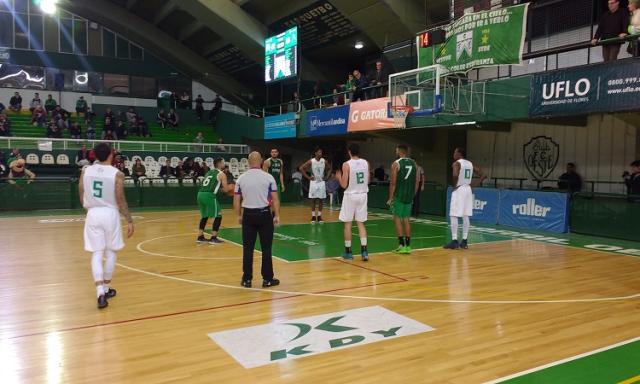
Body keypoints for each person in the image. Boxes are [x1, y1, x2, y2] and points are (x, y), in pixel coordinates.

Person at [79, 143, 134, 309]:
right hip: (110, 214)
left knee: (97, 253)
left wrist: (86, 205)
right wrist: (129, 219)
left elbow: (81, 190)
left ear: (94, 155)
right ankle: (107, 287)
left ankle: (100, 293)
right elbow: (120, 198)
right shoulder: (117, 174)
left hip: (93, 213)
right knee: (111, 252)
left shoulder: (86, 170)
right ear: (111, 155)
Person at [234, 151, 280, 288]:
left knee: (248, 248)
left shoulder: (241, 178)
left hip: (248, 215)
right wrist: (277, 215)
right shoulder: (269, 177)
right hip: (265, 215)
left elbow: (236, 200)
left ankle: (247, 279)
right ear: (261, 161)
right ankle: (267, 279)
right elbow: (275, 200)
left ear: (248, 162)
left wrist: (238, 215)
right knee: (266, 248)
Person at [443, 148, 486, 250]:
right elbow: (483, 175)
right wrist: (473, 185)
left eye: (455, 152)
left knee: (454, 215)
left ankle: (454, 241)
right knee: (465, 215)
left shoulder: (456, 163)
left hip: (460, 189)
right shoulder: (470, 164)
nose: (453, 154)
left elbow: (455, 175)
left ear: (458, 153)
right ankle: (465, 241)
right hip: (468, 189)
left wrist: (455, 186)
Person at [336, 143, 370, 261]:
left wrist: (338, 177)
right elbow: (368, 180)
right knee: (361, 223)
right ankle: (364, 252)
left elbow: (344, 185)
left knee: (348, 225)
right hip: (363, 195)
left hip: (351, 195)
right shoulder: (366, 163)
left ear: (349, 151)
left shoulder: (346, 164)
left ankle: (348, 253)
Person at [387, 145, 420, 254]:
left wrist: (390, 197)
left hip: (399, 195)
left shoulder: (396, 164)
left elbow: (393, 183)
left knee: (397, 218)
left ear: (398, 151)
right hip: (409, 196)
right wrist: (413, 194)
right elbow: (417, 181)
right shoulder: (414, 163)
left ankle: (401, 245)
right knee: (406, 219)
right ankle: (408, 246)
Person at [197, 158, 232, 244]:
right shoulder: (222, 174)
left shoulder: (209, 172)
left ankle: (200, 236)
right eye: (223, 162)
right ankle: (213, 238)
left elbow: (211, 185)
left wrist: (220, 189)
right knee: (218, 216)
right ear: (219, 164)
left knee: (204, 216)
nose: (224, 163)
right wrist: (231, 188)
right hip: (209, 195)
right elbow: (226, 189)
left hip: (200, 194)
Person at [299, 147, 330, 223]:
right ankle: (313, 216)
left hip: (321, 182)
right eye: (319, 152)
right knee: (313, 199)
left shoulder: (324, 161)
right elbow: (301, 168)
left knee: (320, 200)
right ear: (315, 153)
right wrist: (308, 177)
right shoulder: (311, 161)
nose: (320, 154)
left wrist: (326, 177)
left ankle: (319, 216)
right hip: (313, 182)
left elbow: (329, 169)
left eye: (321, 152)